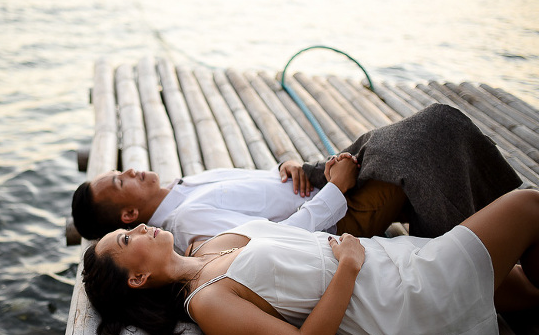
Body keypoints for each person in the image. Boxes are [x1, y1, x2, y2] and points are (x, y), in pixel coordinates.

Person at [82, 189, 539, 335]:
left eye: (126, 228)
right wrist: (348, 266)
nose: (136, 227)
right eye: (125, 240)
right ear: (137, 279)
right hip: (406, 298)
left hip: (397, 256)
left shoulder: (207, 244)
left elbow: (289, 233)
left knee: (524, 288)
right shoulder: (207, 302)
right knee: (527, 205)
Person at [72, 104, 522, 253]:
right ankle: (481, 239)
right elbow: (278, 241)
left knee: (423, 130)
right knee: (426, 136)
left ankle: (500, 217)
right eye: (119, 181)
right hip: (336, 221)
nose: (130, 170)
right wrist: (336, 189)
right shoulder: (188, 224)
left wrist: (292, 170)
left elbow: (261, 189)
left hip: (320, 188)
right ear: (130, 213)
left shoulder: (183, 187)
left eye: (119, 171)